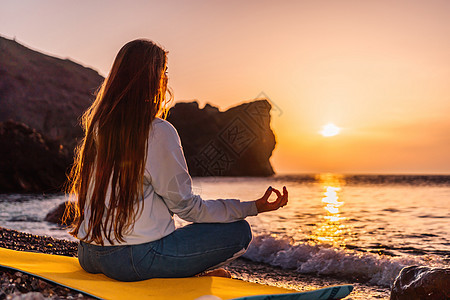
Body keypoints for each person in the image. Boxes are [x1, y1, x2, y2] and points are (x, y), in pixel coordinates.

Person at [66, 39, 288, 282]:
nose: (166, 78)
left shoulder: (99, 126)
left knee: (173, 231)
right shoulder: (158, 131)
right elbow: (187, 208)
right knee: (239, 231)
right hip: (131, 262)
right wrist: (252, 207)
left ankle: (185, 271)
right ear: (153, 78)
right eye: (164, 71)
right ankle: (191, 275)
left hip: (88, 254)